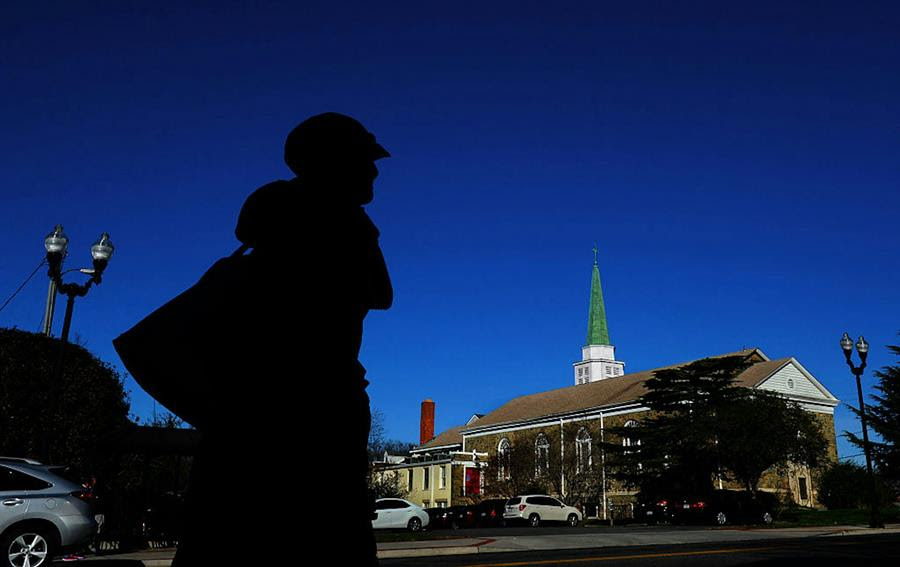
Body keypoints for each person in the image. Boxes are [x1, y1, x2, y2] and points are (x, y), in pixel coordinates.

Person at [170, 113, 392, 566]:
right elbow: (380, 293)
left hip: (241, 408)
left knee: (220, 533)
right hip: (320, 404)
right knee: (329, 535)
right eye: (365, 160)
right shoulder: (343, 223)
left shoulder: (270, 220)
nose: (374, 171)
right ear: (334, 163)